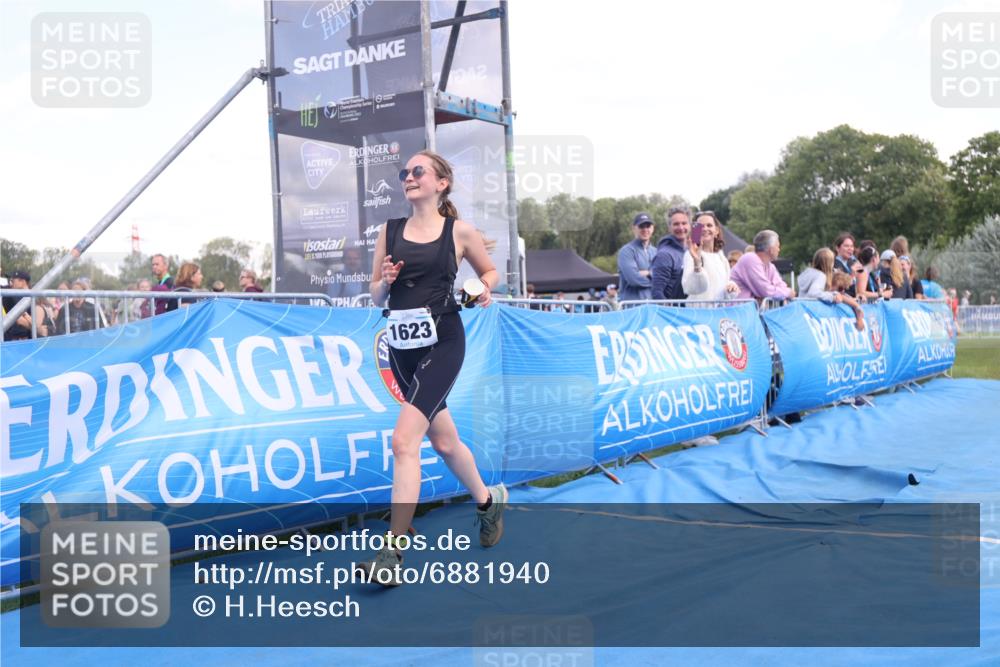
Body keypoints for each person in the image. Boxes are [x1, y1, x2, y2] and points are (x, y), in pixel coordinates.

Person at [360, 150, 507, 585]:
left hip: (443, 342)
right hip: (401, 347)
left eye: (418, 170)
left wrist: (481, 287)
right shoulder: (389, 231)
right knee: (444, 442)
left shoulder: (459, 231)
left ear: (441, 183)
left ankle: (391, 554)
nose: (408, 176)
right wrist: (385, 282)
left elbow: (492, 273)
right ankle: (488, 503)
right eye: (404, 172)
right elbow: (375, 294)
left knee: (403, 442)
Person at [681, 211, 738, 302]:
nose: (705, 229)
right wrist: (697, 264)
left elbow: (723, 293)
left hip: (719, 310)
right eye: (701, 226)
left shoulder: (722, 258)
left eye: (709, 225)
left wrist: (731, 289)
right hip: (698, 309)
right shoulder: (690, 255)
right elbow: (689, 288)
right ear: (695, 231)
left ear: (717, 231)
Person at [730, 230, 794, 302]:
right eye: (778, 246)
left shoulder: (770, 266)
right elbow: (765, 291)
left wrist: (784, 292)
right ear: (771, 249)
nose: (779, 250)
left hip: (748, 308)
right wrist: (788, 293)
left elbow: (781, 286)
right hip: (737, 308)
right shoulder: (750, 259)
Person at [650, 206, 691, 300]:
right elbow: (657, 292)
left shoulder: (691, 250)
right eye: (676, 224)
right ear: (669, 228)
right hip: (675, 308)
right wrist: (669, 308)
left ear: (689, 225)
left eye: (684, 223)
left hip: (690, 307)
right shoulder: (664, 255)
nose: (681, 227)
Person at [617, 212, 657, 301]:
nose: (645, 229)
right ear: (634, 228)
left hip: (653, 306)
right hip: (632, 307)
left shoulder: (656, 252)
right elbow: (633, 279)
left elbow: (664, 277)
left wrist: (648, 273)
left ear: (653, 228)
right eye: (641, 226)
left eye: (648, 226)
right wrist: (656, 280)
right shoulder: (626, 251)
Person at [2, 270, 49, 340]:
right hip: (18, 339)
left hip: (29, 339)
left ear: (23, 282)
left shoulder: (33, 296)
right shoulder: (10, 297)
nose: (11, 284)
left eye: (13, 281)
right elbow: (19, 320)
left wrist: (37, 328)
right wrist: (38, 329)